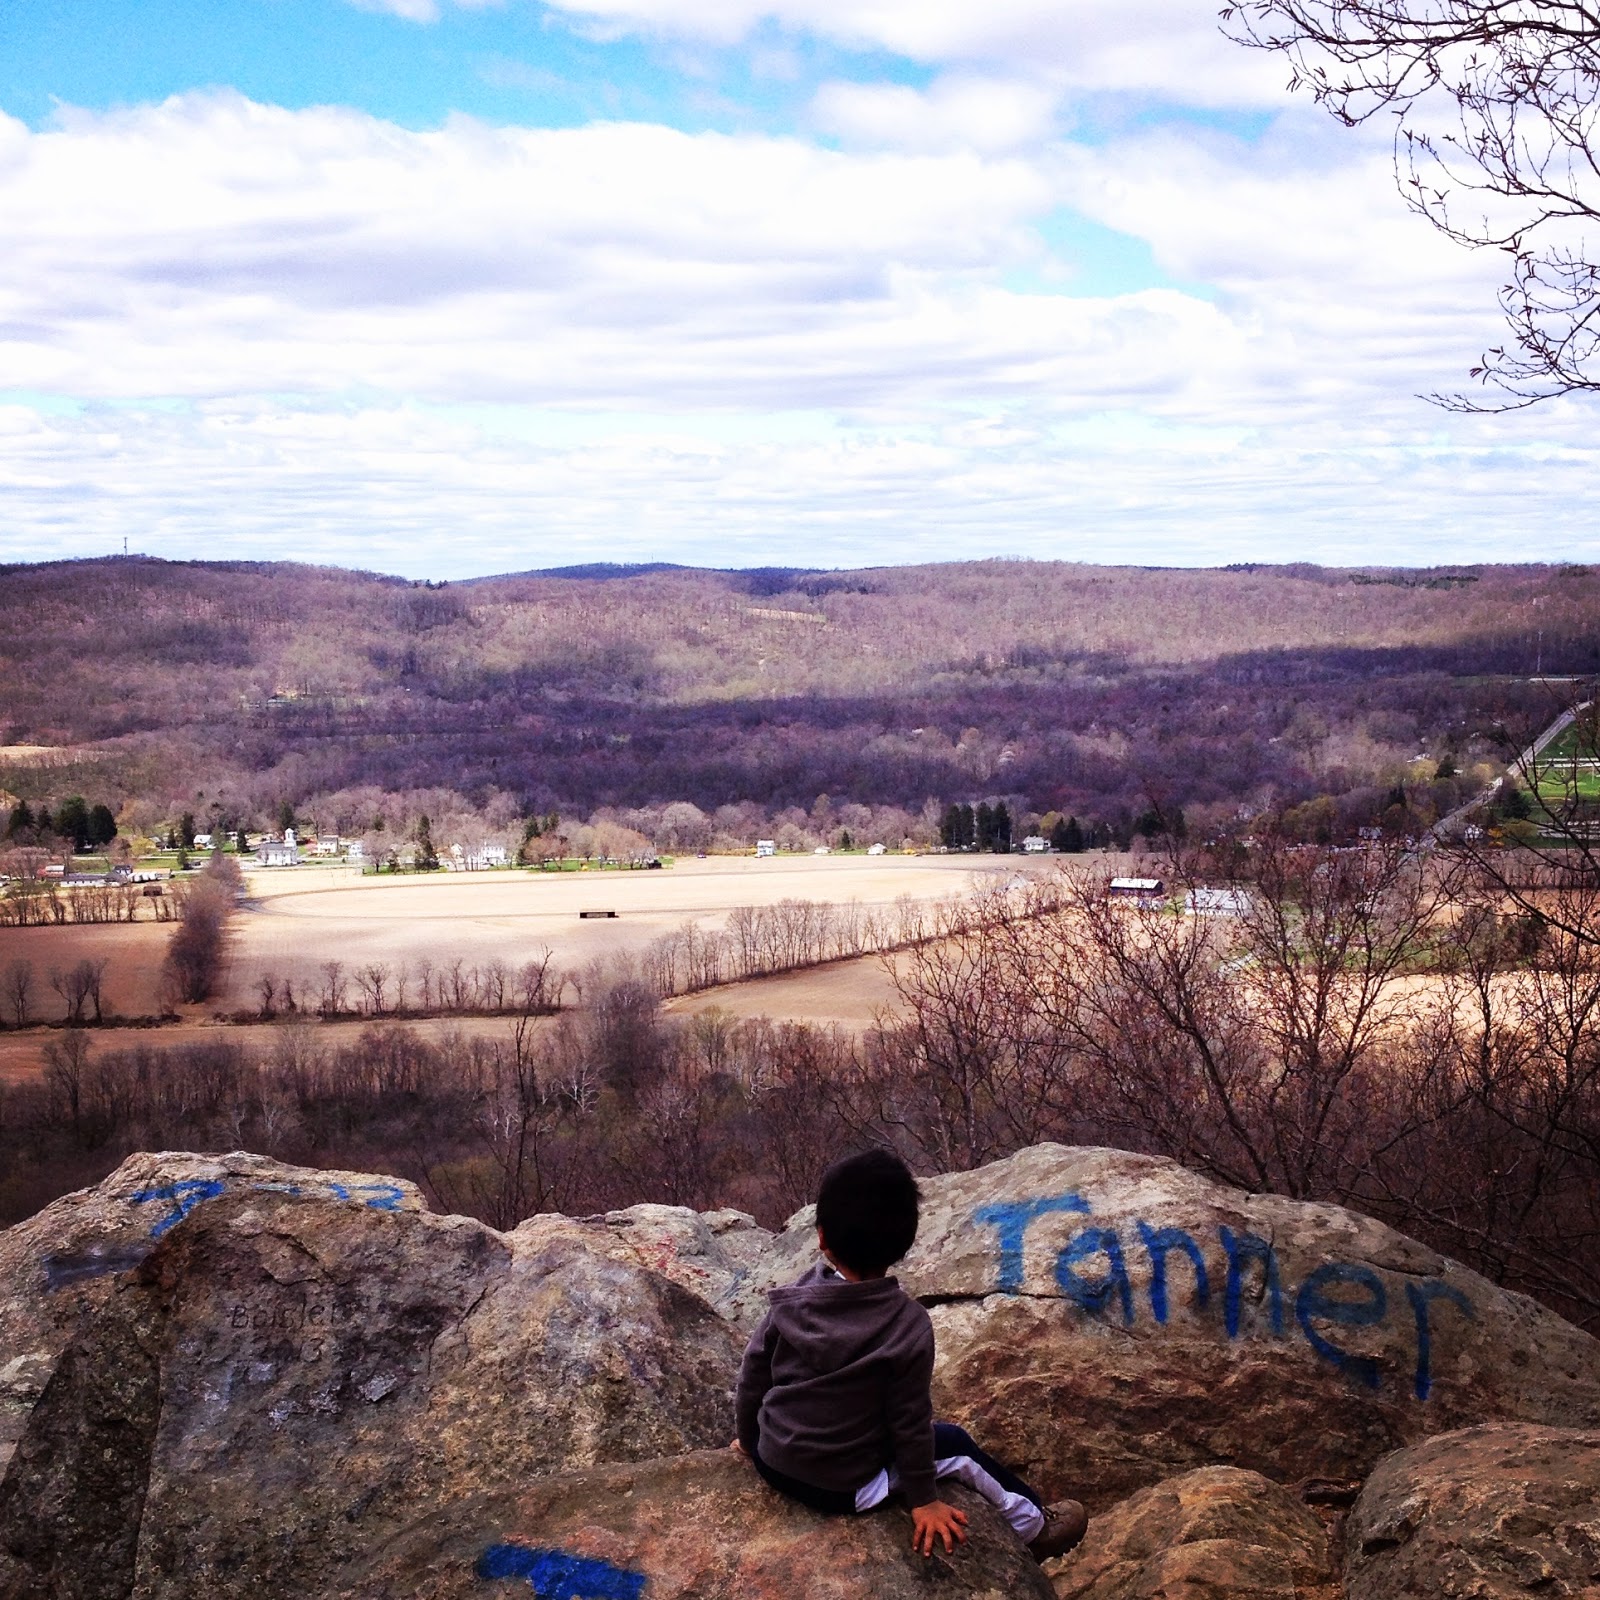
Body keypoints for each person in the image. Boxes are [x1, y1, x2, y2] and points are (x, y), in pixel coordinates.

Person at [732, 1148, 1087, 1561]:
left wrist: (749, 1439)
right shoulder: (907, 1324)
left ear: (822, 1237)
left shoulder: (792, 1299)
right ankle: (1036, 1527)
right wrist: (924, 1500)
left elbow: (752, 1376)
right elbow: (910, 1423)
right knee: (953, 1442)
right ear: (904, 1245)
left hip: (774, 1462)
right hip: (845, 1488)